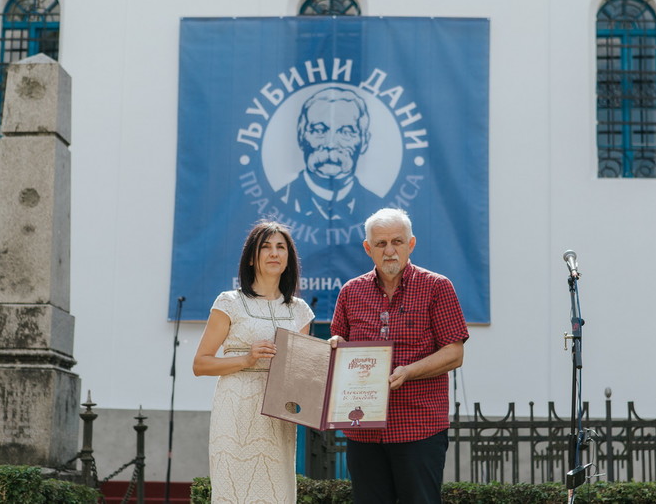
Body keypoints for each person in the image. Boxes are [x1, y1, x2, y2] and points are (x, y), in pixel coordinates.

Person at [330, 208, 469, 503]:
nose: (390, 251)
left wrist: (408, 371)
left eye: (397, 241)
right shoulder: (350, 292)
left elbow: (454, 353)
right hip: (362, 430)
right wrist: (335, 345)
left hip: (419, 427)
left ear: (411, 244)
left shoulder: (437, 287)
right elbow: (338, 343)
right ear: (368, 248)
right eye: (381, 244)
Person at [193, 221, 314, 503]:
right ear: (251, 257)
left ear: (289, 258)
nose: (274, 253)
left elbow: (300, 375)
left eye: (281, 247)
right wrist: (247, 358)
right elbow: (200, 364)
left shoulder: (300, 312)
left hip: (278, 417)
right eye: (266, 247)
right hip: (236, 413)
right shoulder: (229, 302)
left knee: (276, 492)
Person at [279, 86, 379, 221]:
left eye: (346, 132)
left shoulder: (378, 208)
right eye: (319, 130)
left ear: (364, 141)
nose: (331, 144)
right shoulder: (281, 200)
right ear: (301, 136)